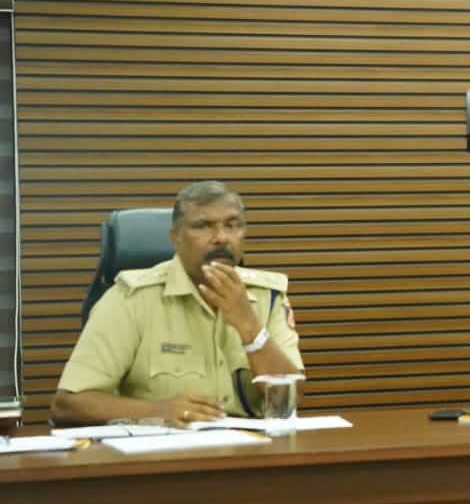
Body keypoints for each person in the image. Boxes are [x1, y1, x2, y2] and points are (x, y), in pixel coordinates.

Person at [50, 181, 303, 425]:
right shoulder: (131, 299)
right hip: (162, 448)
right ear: (176, 237)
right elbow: (69, 403)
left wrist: (249, 327)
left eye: (232, 225)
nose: (221, 237)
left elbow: (289, 401)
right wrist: (157, 411)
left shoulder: (268, 297)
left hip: (251, 448)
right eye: (203, 226)